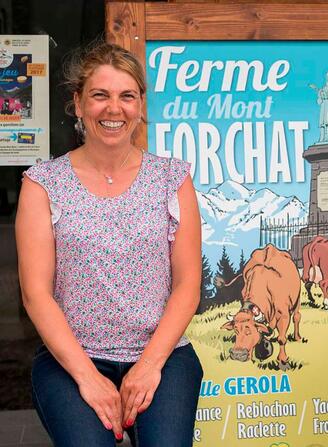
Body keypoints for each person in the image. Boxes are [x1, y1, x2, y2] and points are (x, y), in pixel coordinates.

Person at [16, 42, 203, 446]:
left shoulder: (172, 178)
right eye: (100, 95)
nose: (114, 109)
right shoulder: (43, 184)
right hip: (73, 359)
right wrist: (88, 377)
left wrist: (149, 365)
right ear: (78, 103)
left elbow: (188, 284)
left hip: (161, 355)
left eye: (127, 96)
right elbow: (35, 294)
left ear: (140, 105)